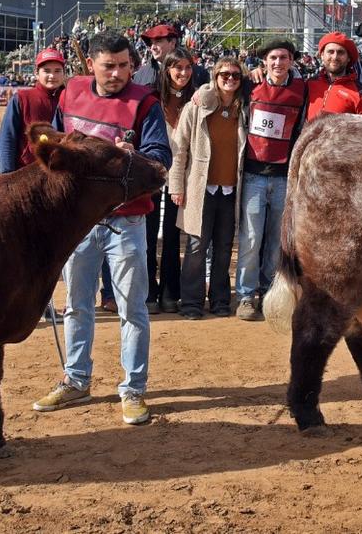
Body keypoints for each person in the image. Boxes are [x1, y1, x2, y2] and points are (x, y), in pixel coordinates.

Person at [32, 33, 171, 426]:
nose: (117, 73)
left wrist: (135, 156)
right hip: (78, 222)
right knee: (77, 304)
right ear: (91, 64)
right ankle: (76, 379)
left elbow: (162, 157)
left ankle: (133, 388)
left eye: (125, 65)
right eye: (109, 66)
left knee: (132, 308)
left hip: (127, 220)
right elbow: (56, 143)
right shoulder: (71, 92)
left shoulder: (145, 103)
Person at [168, 58, 246, 320]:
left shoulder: (243, 109)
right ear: (215, 76)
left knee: (224, 247)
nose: (230, 79)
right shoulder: (197, 106)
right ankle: (191, 302)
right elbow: (179, 150)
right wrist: (176, 186)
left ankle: (220, 300)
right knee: (195, 247)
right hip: (200, 189)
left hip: (230, 191)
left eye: (235, 75)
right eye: (224, 74)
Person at [236, 39, 308, 320]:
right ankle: (245, 295)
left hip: (284, 177)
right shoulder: (248, 85)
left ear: (292, 61)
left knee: (277, 240)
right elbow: (216, 86)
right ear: (264, 61)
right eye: (273, 58)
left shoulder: (301, 89)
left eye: (284, 58)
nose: (279, 63)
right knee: (251, 238)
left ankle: (269, 291)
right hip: (254, 175)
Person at [146, 48, 201, 314]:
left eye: (187, 67)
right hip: (151, 176)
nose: (183, 73)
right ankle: (148, 291)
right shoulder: (151, 98)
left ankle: (170, 292)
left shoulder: (198, 98)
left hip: (180, 176)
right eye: (177, 68)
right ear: (167, 70)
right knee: (147, 235)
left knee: (172, 236)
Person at [0, 48, 70, 174]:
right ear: (36, 73)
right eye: (46, 71)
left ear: (64, 73)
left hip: (62, 173)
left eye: (57, 71)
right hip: (27, 174)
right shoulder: (21, 98)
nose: (52, 76)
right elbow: (7, 138)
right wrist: (7, 174)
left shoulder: (71, 99)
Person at [306, 31, 362, 120]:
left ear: (349, 58)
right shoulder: (309, 85)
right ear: (322, 55)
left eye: (340, 52)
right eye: (330, 52)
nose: (335, 57)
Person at [133, 23, 210, 88]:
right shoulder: (140, 75)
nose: (153, 47)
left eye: (158, 42)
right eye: (151, 43)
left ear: (173, 43)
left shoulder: (199, 74)